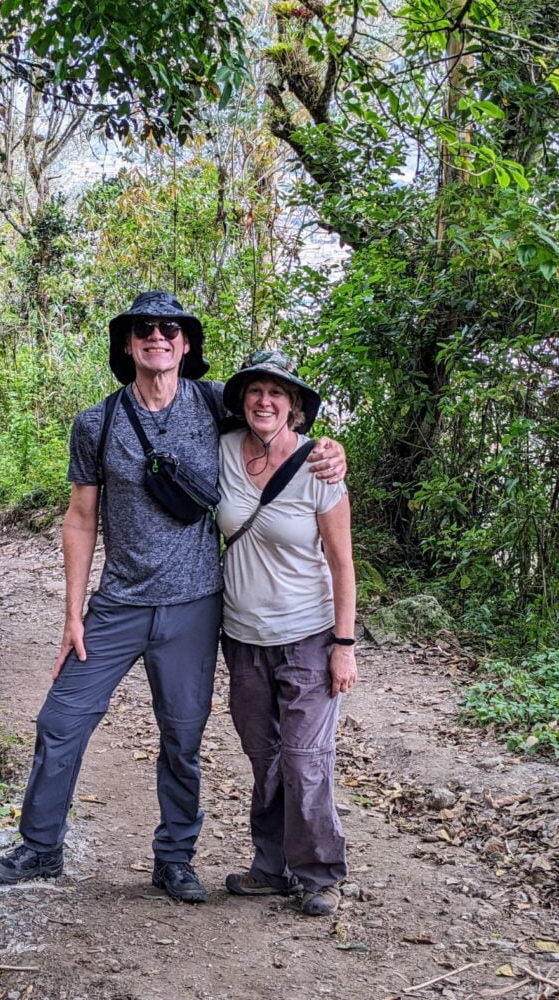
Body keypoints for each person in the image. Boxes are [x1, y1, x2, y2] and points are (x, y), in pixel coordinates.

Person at [0, 294, 347, 903]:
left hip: (195, 607)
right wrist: (72, 611)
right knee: (61, 720)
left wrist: (331, 451)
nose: (158, 336)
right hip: (117, 603)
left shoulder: (211, 406)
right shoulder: (95, 424)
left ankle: (175, 858)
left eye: (170, 329)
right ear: (128, 345)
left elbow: (277, 432)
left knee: (182, 736)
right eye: (144, 329)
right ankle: (41, 847)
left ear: (185, 345)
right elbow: (80, 518)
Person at [216, 349, 357, 917]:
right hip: (242, 636)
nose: (265, 401)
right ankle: (270, 868)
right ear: (243, 402)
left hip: (309, 634)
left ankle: (319, 873)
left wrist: (344, 647)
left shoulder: (319, 467)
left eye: (277, 393)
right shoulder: (222, 449)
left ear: (294, 406)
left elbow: (342, 561)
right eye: (255, 391)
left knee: (305, 757)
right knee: (264, 755)